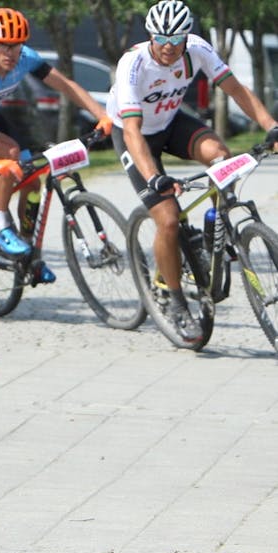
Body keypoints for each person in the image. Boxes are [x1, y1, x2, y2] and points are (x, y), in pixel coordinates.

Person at [107, 0, 278, 343]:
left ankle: (216, 227)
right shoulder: (133, 64)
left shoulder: (197, 49)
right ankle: (175, 299)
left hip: (171, 123)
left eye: (177, 38)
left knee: (221, 156)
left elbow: (236, 90)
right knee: (168, 220)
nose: (169, 46)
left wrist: (271, 127)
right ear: (151, 35)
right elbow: (132, 131)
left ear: (187, 36)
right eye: (161, 38)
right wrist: (155, 177)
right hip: (134, 136)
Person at [0, 7, 112, 284]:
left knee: (31, 181)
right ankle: (1, 227)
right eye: (3, 47)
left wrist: (100, 114)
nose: (10, 54)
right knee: (8, 156)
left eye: (15, 47)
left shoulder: (26, 59)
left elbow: (66, 86)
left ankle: (28, 255)